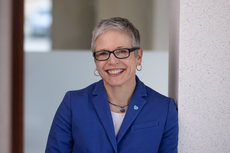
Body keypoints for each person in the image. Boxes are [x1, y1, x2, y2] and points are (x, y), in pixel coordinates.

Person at [45, 17, 178, 153]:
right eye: (103, 53)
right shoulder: (72, 104)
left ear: (138, 56)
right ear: (95, 61)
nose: (112, 61)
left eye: (122, 51)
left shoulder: (165, 109)